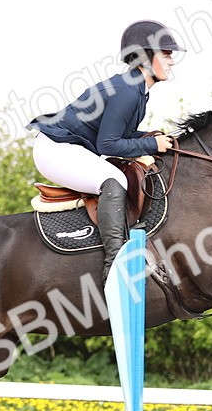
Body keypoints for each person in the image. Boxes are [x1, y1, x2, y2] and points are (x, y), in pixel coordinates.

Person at [28, 20, 184, 284]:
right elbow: (108, 145)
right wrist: (149, 145)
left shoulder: (136, 89)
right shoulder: (128, 92)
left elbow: (117, 136)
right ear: (145, 58)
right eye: (166, 54)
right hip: (55, 149)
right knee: (115, 180)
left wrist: (150, 137)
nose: (171, 61)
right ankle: (114, 265)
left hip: (69, 147)